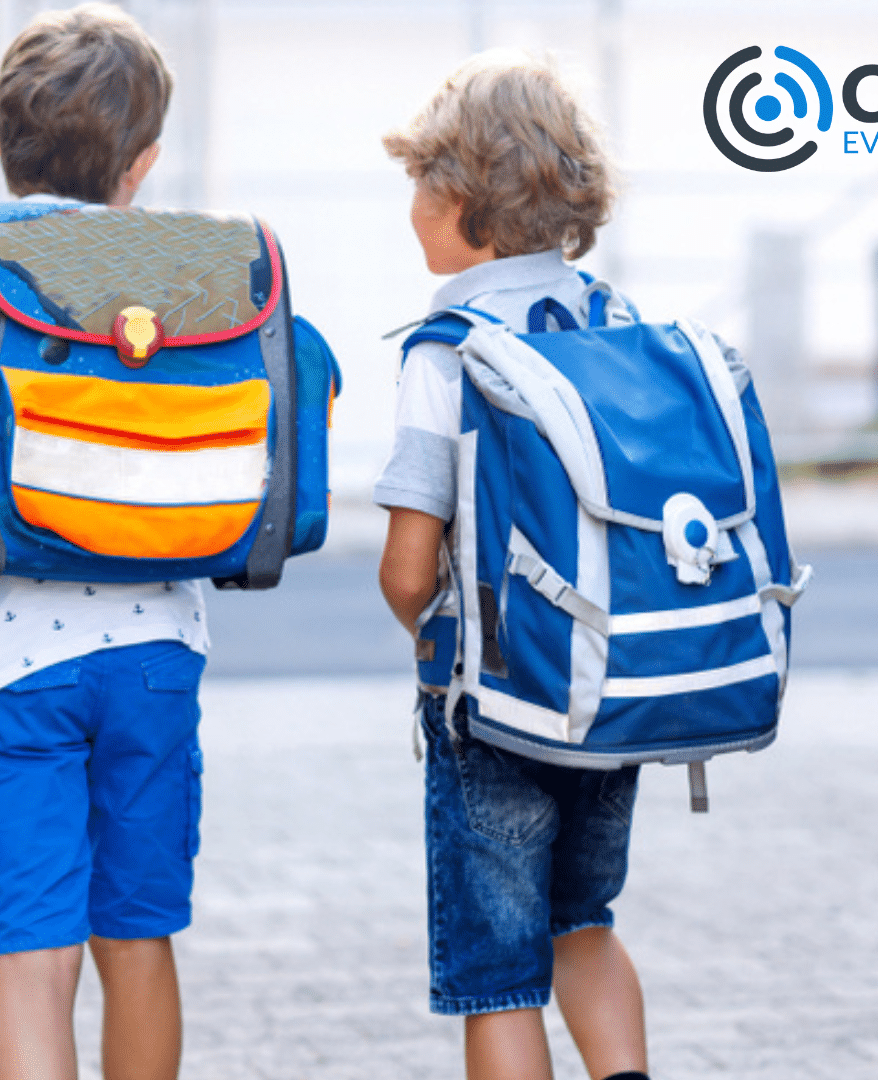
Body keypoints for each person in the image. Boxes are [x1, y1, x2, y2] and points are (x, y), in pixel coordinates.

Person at [0, 8, 204, 1079]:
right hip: (156, 654)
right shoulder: (184, 279)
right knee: (138, 940)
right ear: (141, 167)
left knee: (34, 961)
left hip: (5, 664)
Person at [375, 52, 653, 1080]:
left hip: (494, 709)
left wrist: (455, 649)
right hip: (608, 693)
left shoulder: (445, 350)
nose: (409, 206)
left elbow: (409, 569)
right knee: (584, 922)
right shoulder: (617, 325)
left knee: (498, 975)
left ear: (464, 200)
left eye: (418, 183)